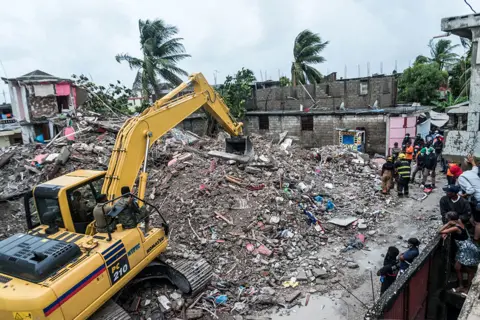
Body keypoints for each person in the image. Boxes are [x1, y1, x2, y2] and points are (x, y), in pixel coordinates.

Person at [439, 211, 480, 293]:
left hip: (466, 249)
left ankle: (467, 288)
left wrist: (447, 224)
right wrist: (450, 224)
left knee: (469, 269)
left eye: (448, 219)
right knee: (457, 267)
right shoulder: (459, 221)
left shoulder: (456, 227)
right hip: (465, 247)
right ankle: (461, 286)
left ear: (450, 219)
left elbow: (440, 231)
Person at [459, 156, 480, 244]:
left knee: (478, 222)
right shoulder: (473, 172)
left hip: (478, 201)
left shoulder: (462, 177)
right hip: (477, 200)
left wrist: (463, 195)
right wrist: (472, 161)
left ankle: (475, 240)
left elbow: (471, 190)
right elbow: (475, 167)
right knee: (474, 219)